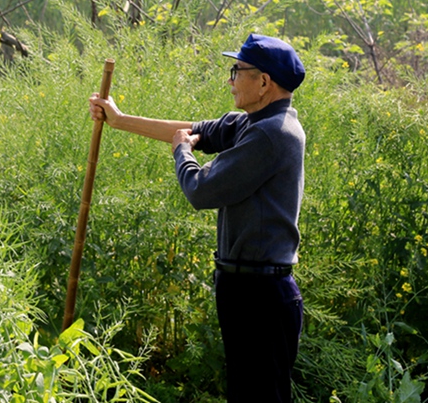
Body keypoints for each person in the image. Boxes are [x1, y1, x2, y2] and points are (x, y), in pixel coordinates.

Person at [89, 33, 306, 403]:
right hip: (244, 288)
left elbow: (201, 189)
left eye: (237, 71)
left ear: (264, 82)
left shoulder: (272, 134)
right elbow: (191, 131)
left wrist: (181, 153)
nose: (230, 80)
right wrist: (119, 120)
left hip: (261, 296)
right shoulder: (253, 123)